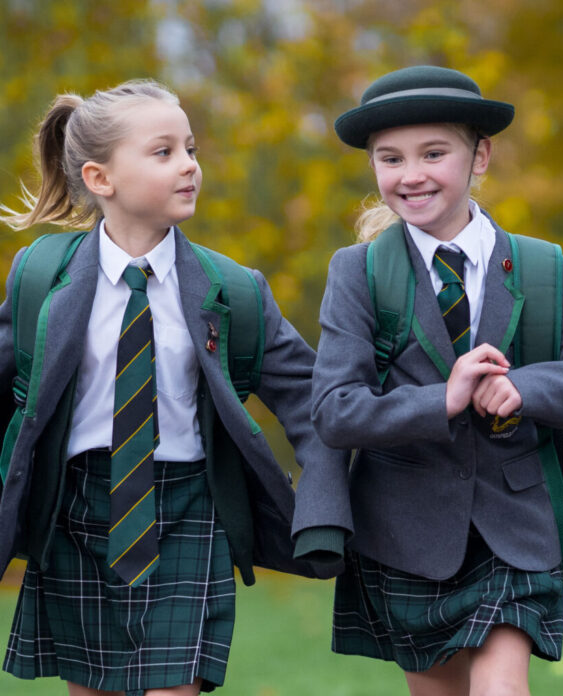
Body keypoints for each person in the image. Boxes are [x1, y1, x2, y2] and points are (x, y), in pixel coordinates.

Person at [0, 79, 351, 696]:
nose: (190, 165)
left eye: (190, 148)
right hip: (75, 512)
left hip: (190, 509)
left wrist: (323, 512)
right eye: (163, 152)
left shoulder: (234, 288)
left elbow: (313, 402)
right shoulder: (39, 276)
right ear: (100, 178)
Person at [311, 65, 563, 696]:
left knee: (502, 687)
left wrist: (526, 389)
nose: (411, 174)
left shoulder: (542, 266)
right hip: (405, 531)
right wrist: (442, 399)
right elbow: (335, 411)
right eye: (390, 158)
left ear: (480, 155)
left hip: (518, 526)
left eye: (434, 153)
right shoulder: (357, 273)